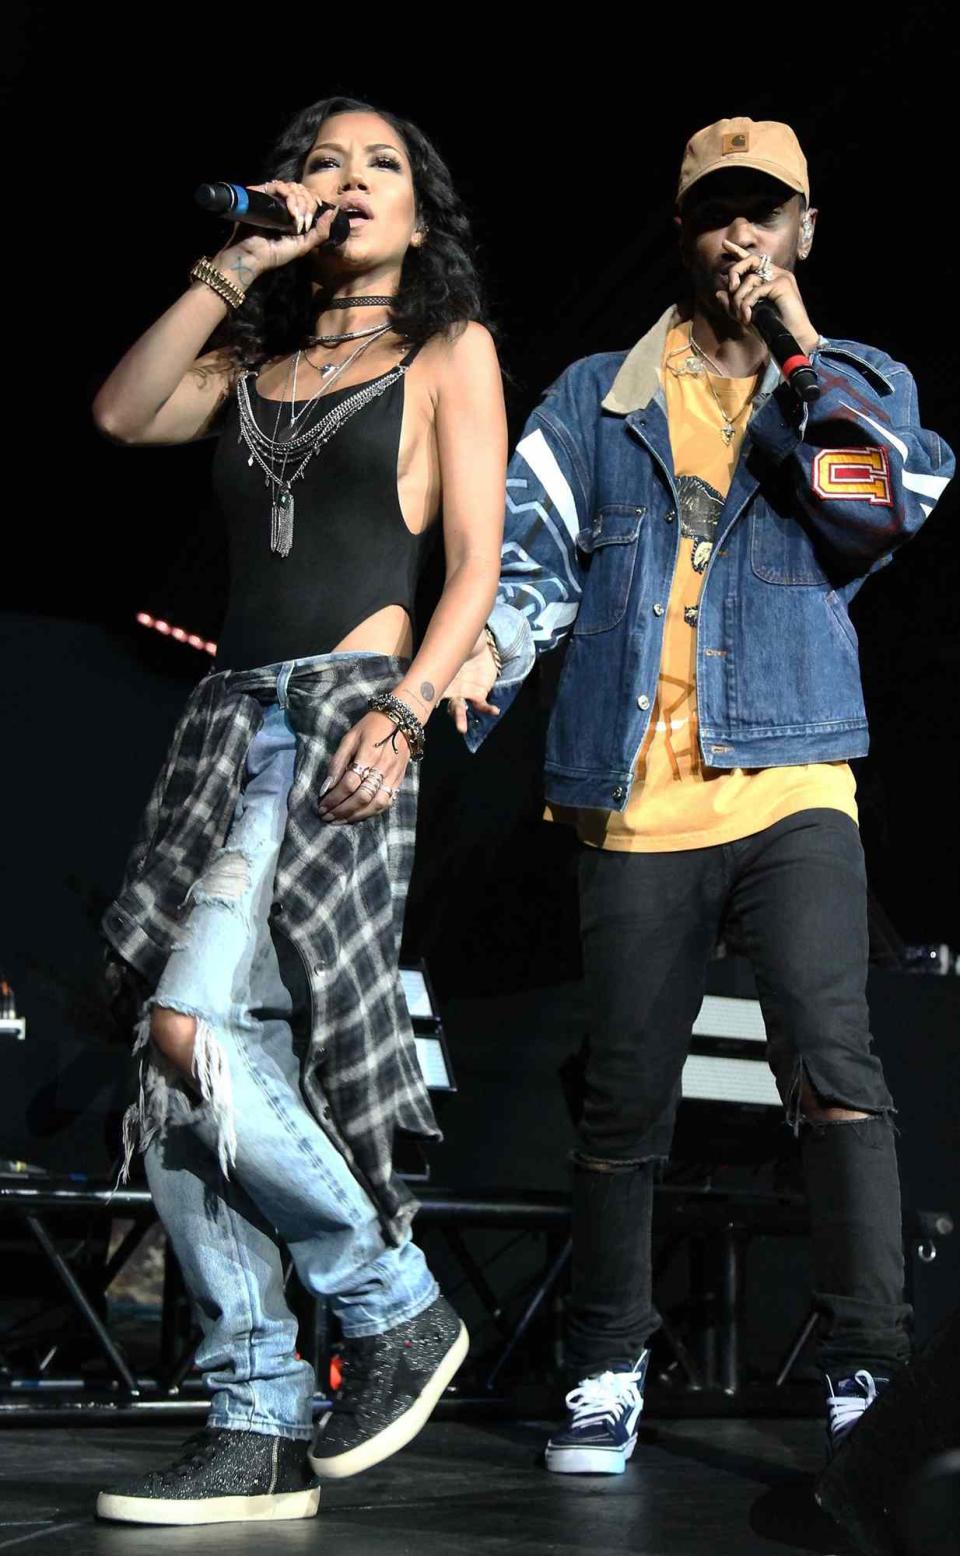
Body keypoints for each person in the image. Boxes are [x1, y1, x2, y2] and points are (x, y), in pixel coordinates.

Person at [446, 117, 953, 1474]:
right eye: (718, 214)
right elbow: (528, 563)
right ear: (684, 234)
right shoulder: (596, 402)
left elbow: (877, 508)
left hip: (792, 773)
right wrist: (466, 669)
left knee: (832, 1062)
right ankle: (606, 1367)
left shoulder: (853, 384)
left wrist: (801, 351)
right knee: (623, 1098)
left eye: (765, 214)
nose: (741, 236)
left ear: (802, 233)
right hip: (632, 789)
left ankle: (869, 1368)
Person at [93, 94, 506, 1524]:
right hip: (225, 719)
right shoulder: (257, 352)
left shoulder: (448, 348)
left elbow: (474, 564)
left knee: (187, 1026)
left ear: (418, 205)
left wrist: (406, 710)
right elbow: (123, 408)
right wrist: (243, 265)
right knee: (190, 1073)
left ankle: (394, 1303)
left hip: (341, 717)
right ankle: (256, 1416)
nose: (345, 182)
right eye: (321, 162)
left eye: (379, 164)